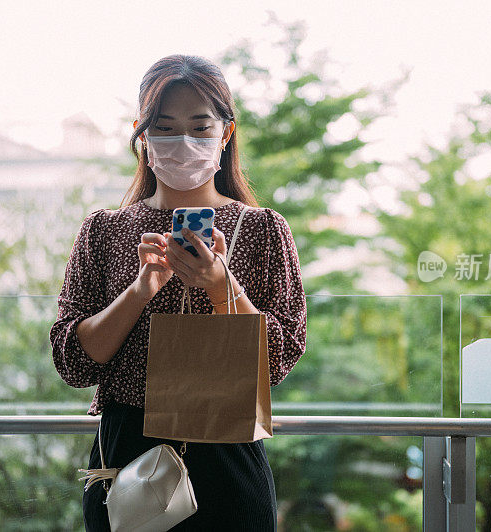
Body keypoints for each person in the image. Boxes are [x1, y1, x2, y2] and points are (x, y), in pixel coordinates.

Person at [49, 54, 307, 531]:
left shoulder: (263, 230)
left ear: (225, 134)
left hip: (227, 461)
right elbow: (74, 362)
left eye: (199, 127)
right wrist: (140, 289)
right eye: (165, 128)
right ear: (141, 136)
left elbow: (279, 358)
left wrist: (219, 285)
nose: (182, 142)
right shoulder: (104, 231)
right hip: (126, 465)